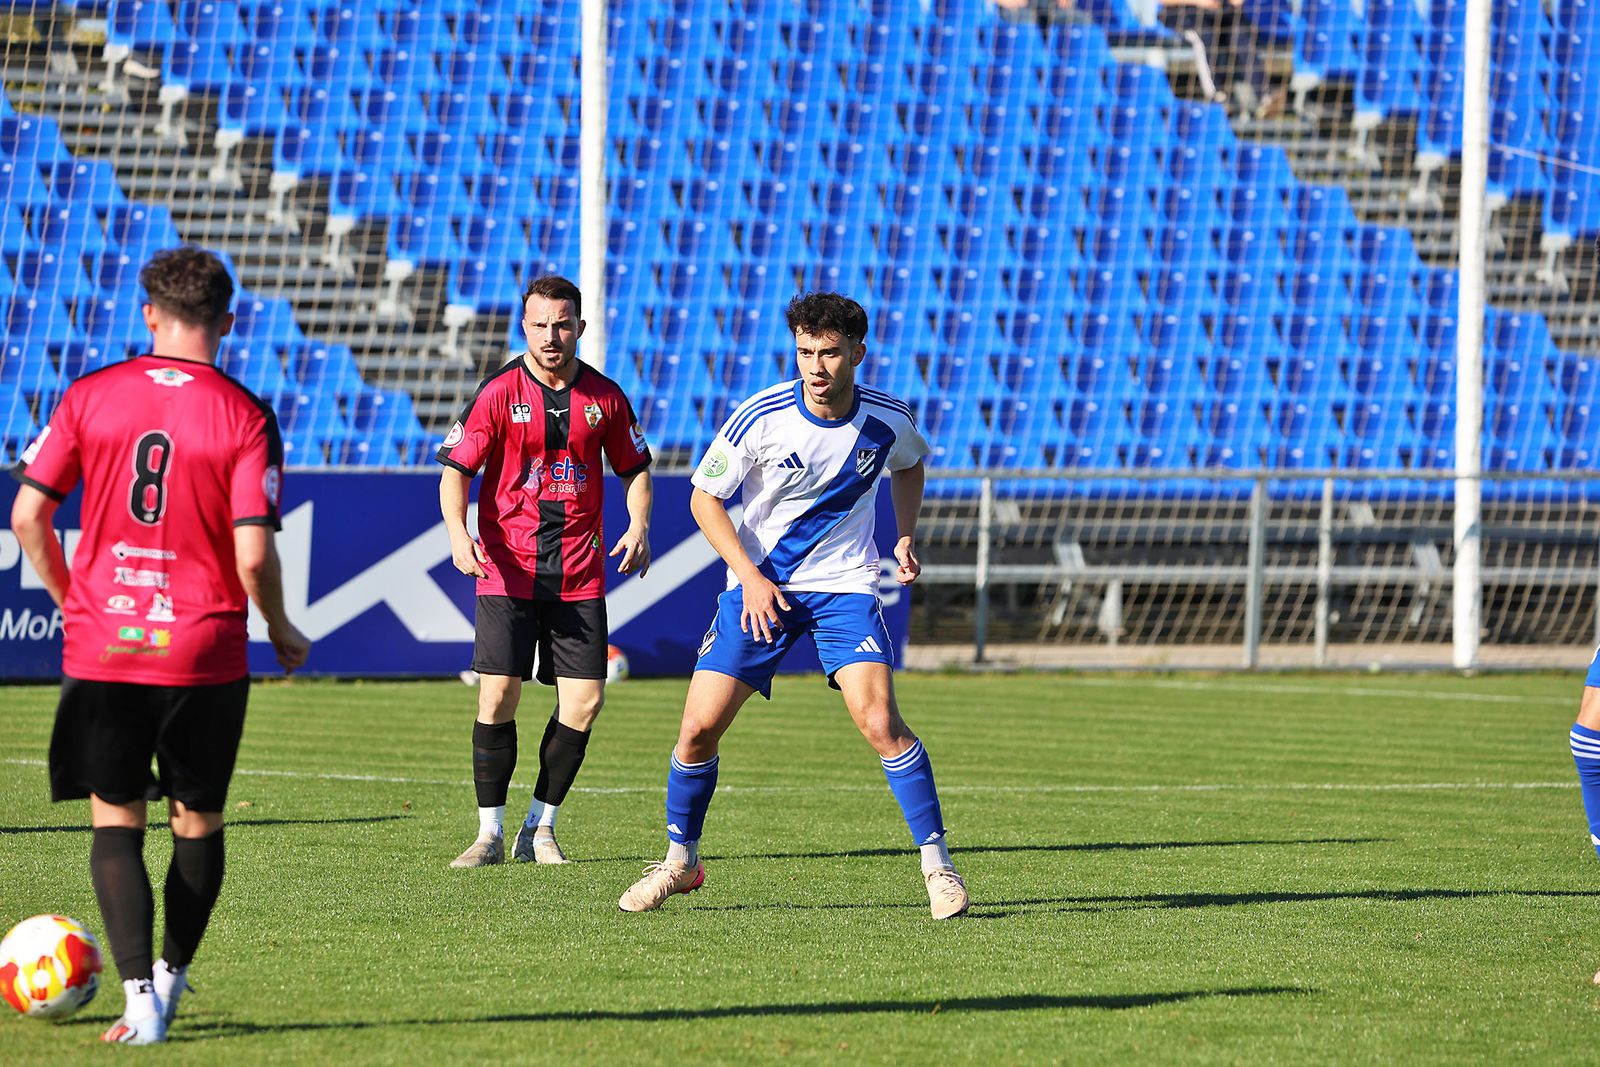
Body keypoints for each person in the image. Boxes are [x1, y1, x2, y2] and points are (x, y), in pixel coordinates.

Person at [8, 246, 311, 1045]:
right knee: (198, 821)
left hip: (107, 645)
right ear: (229, 322)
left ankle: (137, 998)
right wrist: (279, 627)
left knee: (117, 817)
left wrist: (77, 601)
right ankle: (172, 976)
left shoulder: (89, 395)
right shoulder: (246, 414)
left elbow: (29, 518)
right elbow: (253, 554)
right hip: (204, 649)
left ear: (149, 313)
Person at [617, 291, 969, 919]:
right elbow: (704, 498)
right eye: (806, 352)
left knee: (879, 721)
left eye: (831, 353)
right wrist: (748, 576)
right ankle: (680, 862)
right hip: (761, 586)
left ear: (858, 353)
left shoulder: (888, 419)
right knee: (697, 730)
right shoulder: (761, 416)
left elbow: (910, 466)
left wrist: (906, 533)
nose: (816, 367)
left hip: (845, 587)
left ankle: (938, 867)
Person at [437, 273, 653, 869]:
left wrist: (638, 525)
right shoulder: (497, 392)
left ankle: (541, 826)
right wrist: (459, 534)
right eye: (540, 324)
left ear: (579, 327)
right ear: (524, 327)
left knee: (584, 702)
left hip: (578, 571)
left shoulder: (606, 397)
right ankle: (488, 834)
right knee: (498, 694)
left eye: (563, 323)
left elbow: (634, 466)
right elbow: (456, 470)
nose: (552, 335)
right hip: (508, 568)